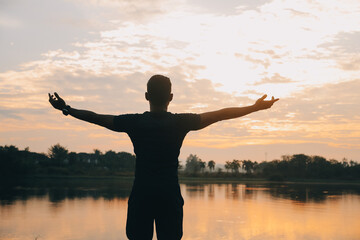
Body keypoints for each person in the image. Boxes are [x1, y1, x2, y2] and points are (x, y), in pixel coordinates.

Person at [48, 74, 279, 240]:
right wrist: (254, 108)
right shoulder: (181, 122)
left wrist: (66, 108)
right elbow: (220, 115)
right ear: (171, 96)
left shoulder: (134, 122)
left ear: (146, 95)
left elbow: (96, 117)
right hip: (169, 197)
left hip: (141, 197)